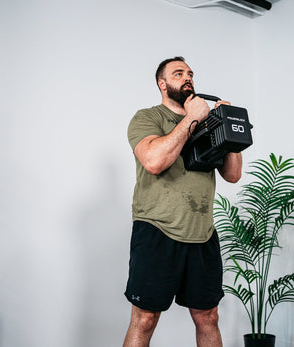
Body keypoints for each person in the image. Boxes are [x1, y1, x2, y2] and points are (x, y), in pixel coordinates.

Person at [123, 56, 242, 347]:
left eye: (190, 73)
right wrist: (190, 118)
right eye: (178, 73)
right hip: (157, 231)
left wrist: (227, 127)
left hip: (202, 233)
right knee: (145, 318)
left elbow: (233, 174)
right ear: (162, 84)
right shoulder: (147, 118)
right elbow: (153, 161)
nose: (187, 77)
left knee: (208, 316)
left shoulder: (209, 123)